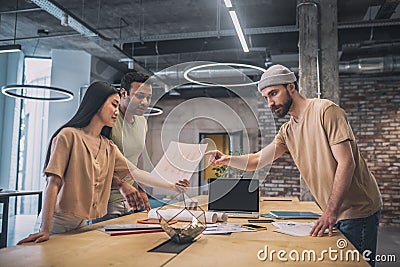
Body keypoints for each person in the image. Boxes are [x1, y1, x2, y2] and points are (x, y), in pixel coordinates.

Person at [206, 65, 382, 266]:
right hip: (334, 211)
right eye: (266, 98)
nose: (271, 102)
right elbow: (257, 160)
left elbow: (346, 162)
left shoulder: (325, 111)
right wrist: (227, 159)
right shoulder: (287, 131)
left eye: (274, 93)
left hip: (357, 209)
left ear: (291, 87)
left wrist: (330, 211)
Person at [18, 81, 189, 244]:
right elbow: (52, 184)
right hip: (56, 222)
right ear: (97, 104)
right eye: (113, 105)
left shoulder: (108, 146)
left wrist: (173, 186)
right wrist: (45, 229)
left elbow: (136, 173)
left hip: (82, 223)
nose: (116, 111)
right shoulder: (68, 136)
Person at [104, 71, 153, 220]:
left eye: (148, 97)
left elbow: (137, 160)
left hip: (131, 199)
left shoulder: (142, 122)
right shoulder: (109, 119)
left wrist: (141, 188)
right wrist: (120, 184)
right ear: (123, 93)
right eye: (139, 96)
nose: (145, 102)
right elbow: (96, 165)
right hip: (106, 201)